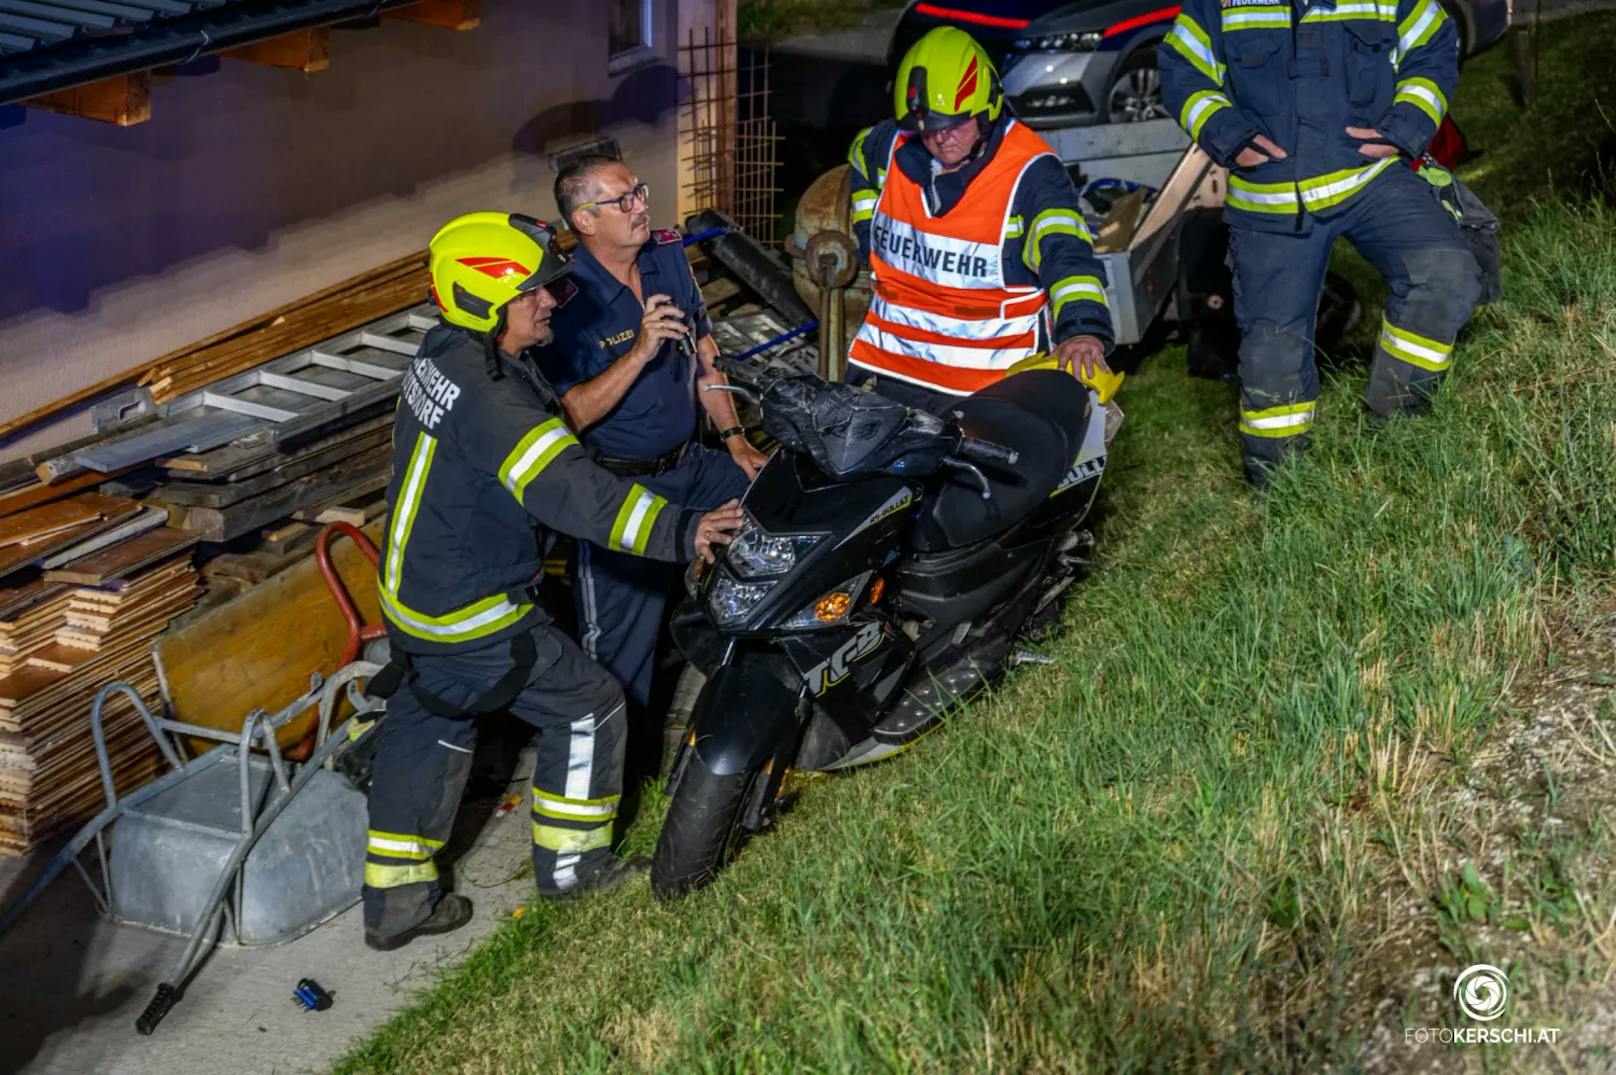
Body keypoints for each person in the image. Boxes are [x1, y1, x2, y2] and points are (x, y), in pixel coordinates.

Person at [362, 211, 742, 950]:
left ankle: (394, 902)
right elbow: (577, 494)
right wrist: (682, 530)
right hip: (472, 607)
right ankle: (574, 872)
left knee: (430, 714)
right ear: (486, 303)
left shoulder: (445, 353)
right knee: (589, 704)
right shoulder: (495, 403)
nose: (551, 302)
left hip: (412, 595)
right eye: (536, 293)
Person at [1159, 0, 1482, 485]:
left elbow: (1434, 42)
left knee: (1447, 274)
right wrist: (1225, 134)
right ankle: (1281, 487)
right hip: (1271, 205)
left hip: (1370, 180)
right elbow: (1182, 66)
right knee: (1272, 357)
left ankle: (1398, 424)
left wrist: (1406, 126)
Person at [535, 155, 764, 762]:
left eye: (639, 191)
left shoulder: (665, 255)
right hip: (621, 494)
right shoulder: (562, 299)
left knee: (781, 516)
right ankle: (621, 788)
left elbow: (705, 354)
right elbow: (568, 418)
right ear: (584, 219)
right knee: (617, 657)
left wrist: (736, 440)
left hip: (695, 465)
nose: (642, 205)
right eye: (624, 200)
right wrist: (637, 352)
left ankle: (759, 697)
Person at [844, 26, 1115, 414]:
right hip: (897, 372)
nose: (941, 138)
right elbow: (860, 158)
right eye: (930, 126)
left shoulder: (1030, 172)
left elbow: (1067, 255)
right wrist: (869, 235)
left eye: (956, 123)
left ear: (987, 107)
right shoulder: (890, 144)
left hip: (994, 386)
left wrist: (1084, 329)